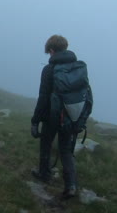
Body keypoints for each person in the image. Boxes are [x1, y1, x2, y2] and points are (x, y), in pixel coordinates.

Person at [30, 35, 93, 199]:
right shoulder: (78, 67)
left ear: (51, 50)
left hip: (52, 116)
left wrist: (35, 121)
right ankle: (71, 185)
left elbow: (43, 97)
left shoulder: (49, 70)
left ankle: (44, 174)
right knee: (66, 150)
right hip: (71, 116)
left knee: (46, 144)